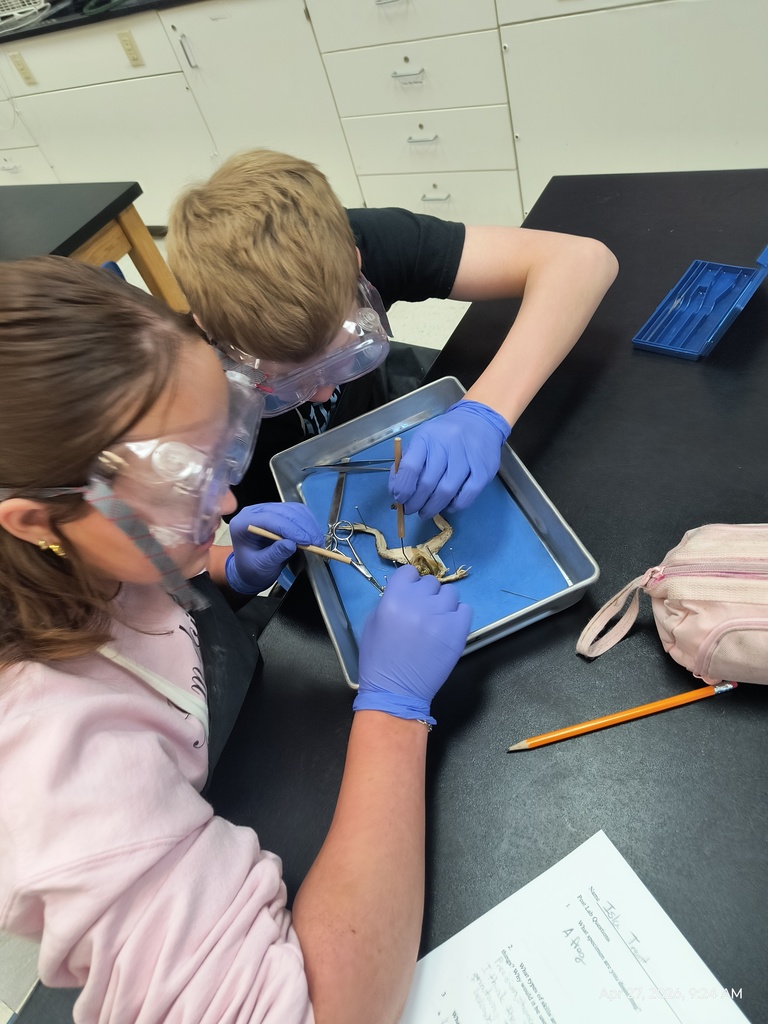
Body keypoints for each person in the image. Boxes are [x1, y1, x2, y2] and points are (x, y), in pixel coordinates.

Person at [0, 257, 473, 1024]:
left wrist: (222, 570)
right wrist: (394, 711)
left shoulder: (72, 544)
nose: (224, 501)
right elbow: (327, 1012)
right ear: (32, 521)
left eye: (220, 456)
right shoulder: (63, 773)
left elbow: (130, 575)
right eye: (182, 486)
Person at [166, 148, 619, 514]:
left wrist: (485, 411)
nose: (323, 394)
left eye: (342, 355)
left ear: (357, 266)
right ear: (210, 328)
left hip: (383, 438)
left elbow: (582, 261)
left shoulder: (335, 245)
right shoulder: (172, 383)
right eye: (287, 381)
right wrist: (233, 561)